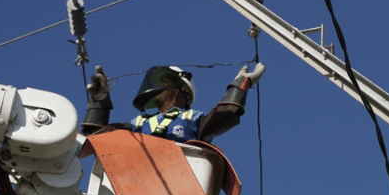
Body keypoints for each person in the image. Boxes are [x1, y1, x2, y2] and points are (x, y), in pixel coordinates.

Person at [81, 63, 265, 143]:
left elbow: (225, 115)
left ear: (182, 90)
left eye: (164, 81)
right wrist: (99, 101)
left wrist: (239, 85)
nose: (157, 86)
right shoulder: (138, 124)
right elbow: (96, 137)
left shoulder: (193, 119)